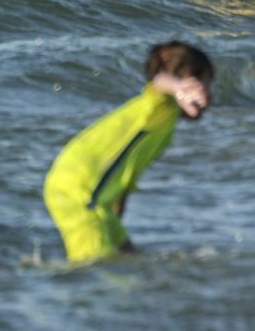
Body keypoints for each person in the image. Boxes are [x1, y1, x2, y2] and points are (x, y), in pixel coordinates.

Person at [43, 42, 213, 263]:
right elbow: (161, 82)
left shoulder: (165, 124)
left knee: (127, 256)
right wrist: (180, 88)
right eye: (203, 84)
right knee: (94, 270)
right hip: (82, 190)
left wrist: (116, 225)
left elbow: (123, 185)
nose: (207, 94)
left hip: (92, 191)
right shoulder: (159, 105)